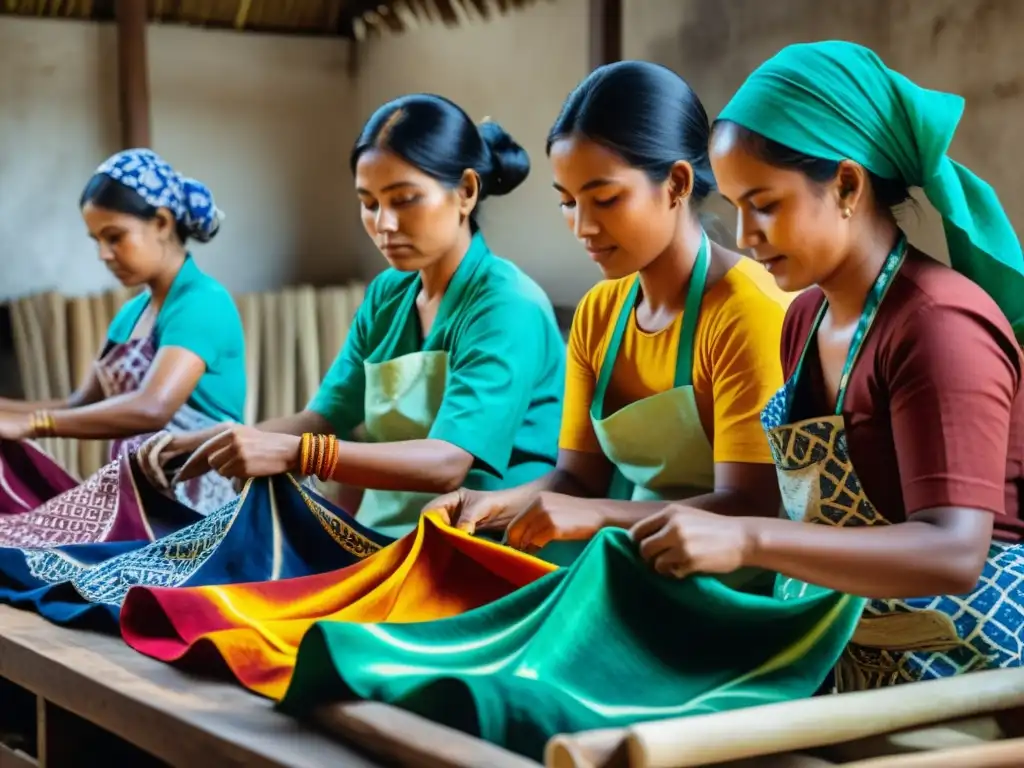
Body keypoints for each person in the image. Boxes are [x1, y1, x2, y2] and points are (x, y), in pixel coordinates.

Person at [633, 40, 1024, 687]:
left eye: (763, 203)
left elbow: (954, 551)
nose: (744, 233)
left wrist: (753, 542)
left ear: (845, 185)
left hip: (966, 659)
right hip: (838, 631)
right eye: (732, 205)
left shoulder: (938, 325)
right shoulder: (804, 317)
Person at [139, 94, 565, 539]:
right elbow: (323, 417)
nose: (384, 223)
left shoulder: (505, 305)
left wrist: (298, 454)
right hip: (385, 537)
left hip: (490, 546)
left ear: (466, 192)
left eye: (404, 200)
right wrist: (220, 441)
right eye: (369, 202)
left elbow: (447, 463)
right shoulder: (388, 294)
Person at [431, 61, 792, 562]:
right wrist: (493, 504)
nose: (581, 226)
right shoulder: (600, 313)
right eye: (567, 202)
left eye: (604, 199)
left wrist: (601, 515)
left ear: (677, 183)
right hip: (637, 563)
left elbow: (748, 506)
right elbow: (578, 479)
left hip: (739, 586)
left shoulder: (747, 311)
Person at [0, 148, 245, 525]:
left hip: (198, 509)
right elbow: (77, 406)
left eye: (114, 237)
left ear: (162, 223)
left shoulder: (202, 302)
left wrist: (34, 423)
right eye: (96, 239)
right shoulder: (131, 315)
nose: (103, 253)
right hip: (140, 499)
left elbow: (153, 407)